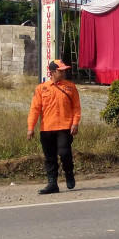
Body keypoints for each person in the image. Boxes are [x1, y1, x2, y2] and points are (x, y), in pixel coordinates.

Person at [26, 59, 81, 195]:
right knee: (49, 157)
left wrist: (75, 123)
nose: (64, 73)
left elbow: (76, 107)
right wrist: (31, 127)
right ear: (52, 72)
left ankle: (69, 173)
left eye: (64, 70)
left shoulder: (70, 86)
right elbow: (35, 109)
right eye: (60, 71)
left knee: (64, 153)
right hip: (47, 129)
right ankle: (52, 184)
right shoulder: (41, 88)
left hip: (65, 127)